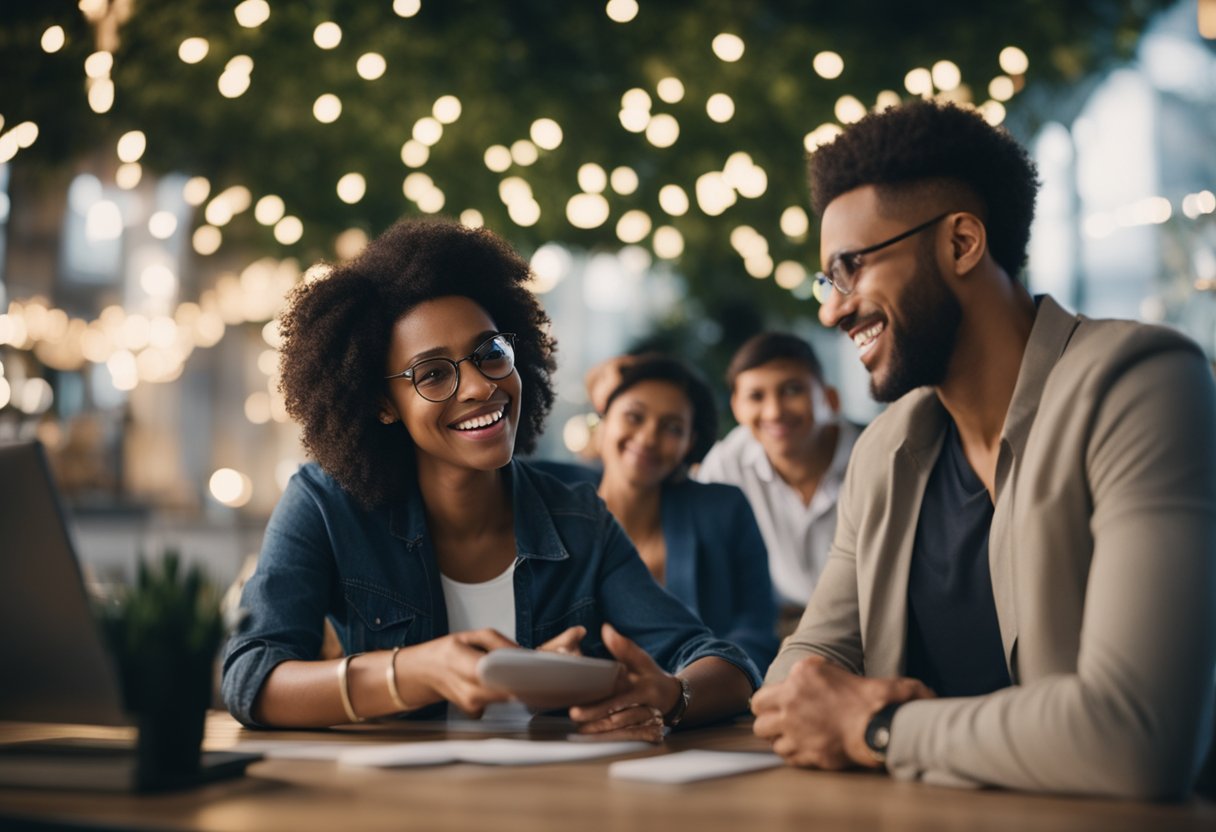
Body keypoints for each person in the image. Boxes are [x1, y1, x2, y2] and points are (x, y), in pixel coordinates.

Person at [751, 99, 1216, 799]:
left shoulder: (1141, 383)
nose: (832, 307)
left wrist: (879, 728)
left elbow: (1134, 737)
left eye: (850, 268)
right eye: (827, 279)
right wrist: (831, 709)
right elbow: (806, 673)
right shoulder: (885, 450)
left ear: (962, 243)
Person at [221, 218, 759, 738]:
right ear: (383, 404)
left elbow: (725, 665)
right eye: (432, 373)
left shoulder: (577, 517)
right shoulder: (325, 505)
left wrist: (668, 695)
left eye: (490, 353)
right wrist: (414, 672)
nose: (480, 386)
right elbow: (251, 677)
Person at [541, 355, 778, 672]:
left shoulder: (724, 509)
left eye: (672, 428)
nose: (648, 438)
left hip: (702, 710)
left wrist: (701, 685)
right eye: (634, 417)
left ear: (689, 443)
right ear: (605, 417)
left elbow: (756, 629)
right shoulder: (546, 497)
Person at [696, 334, 859, 634]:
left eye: (793, 390)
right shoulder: (726, 465)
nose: (774, 412)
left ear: (829, 397)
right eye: (756, 397)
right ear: (736, 407)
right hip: (775, 629)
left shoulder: (874, 454)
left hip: (868, 622)